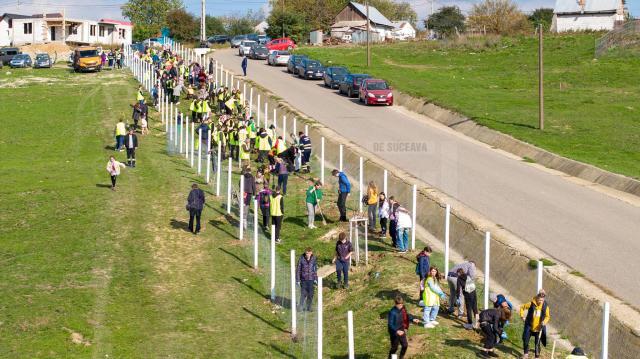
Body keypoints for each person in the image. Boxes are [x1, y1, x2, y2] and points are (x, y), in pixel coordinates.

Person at [520, 290, 551, 359]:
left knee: (537, 343)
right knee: (525, 339)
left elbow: (547, 316)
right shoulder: (531, 303)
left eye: (542, 300)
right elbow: (522, 307)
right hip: (529, 326)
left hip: (539, 328)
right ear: (537, 298)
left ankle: (536, 357)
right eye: (539, 300)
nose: (541, 302)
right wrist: (522, 316)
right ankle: (525, 354)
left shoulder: (546, 306)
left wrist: (544, 322)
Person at [296, 247, 318, 312]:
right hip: (303, 279)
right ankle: (301, 306)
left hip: (311, 279)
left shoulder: (314, 259)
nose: (307, 254)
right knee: (303, 293)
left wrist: (315, 278)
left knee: (310, 294)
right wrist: (297, 280)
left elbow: (315, 269)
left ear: (311, 253)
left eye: (308, 253)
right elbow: (298, 269)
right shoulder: (301, 259)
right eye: (306, 253)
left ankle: (309, 307)